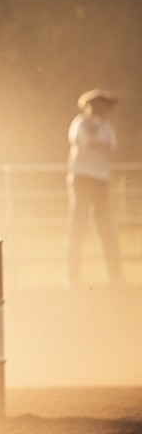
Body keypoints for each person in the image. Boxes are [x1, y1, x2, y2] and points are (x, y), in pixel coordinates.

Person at [66, 89, 123, 286]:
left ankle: (115, 276)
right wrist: (100, 144)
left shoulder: (106, 127)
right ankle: (73, 277)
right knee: (78, 226)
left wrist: (97, 143)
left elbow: (110, 146)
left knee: (105, 227)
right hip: (83, 178)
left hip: (100, 180)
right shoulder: (80, 123)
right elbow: (87, 140)